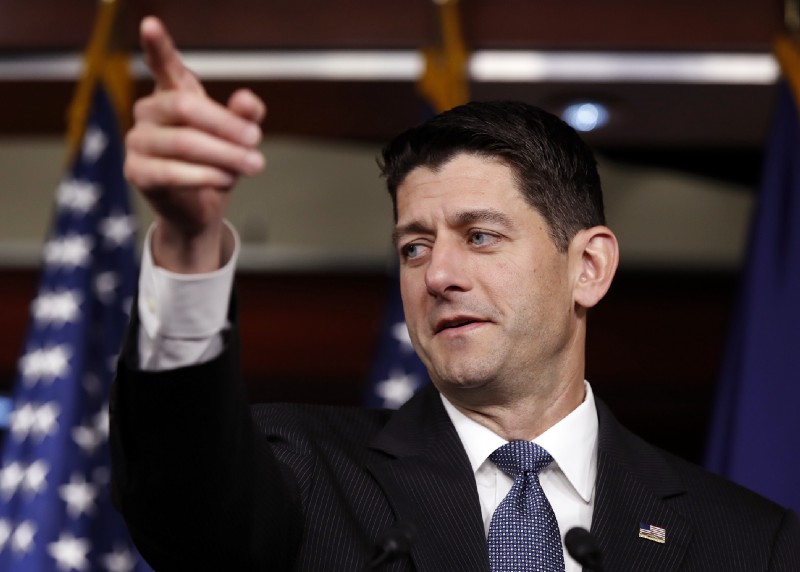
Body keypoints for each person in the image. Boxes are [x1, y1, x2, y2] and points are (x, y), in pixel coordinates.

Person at [110, 16, 800, 571]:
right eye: (414, 247)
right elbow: (185, 509)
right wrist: (188, 244)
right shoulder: (304, 473)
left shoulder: (747, 542)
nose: (437, 275)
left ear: (588, 266)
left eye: (480, 237)